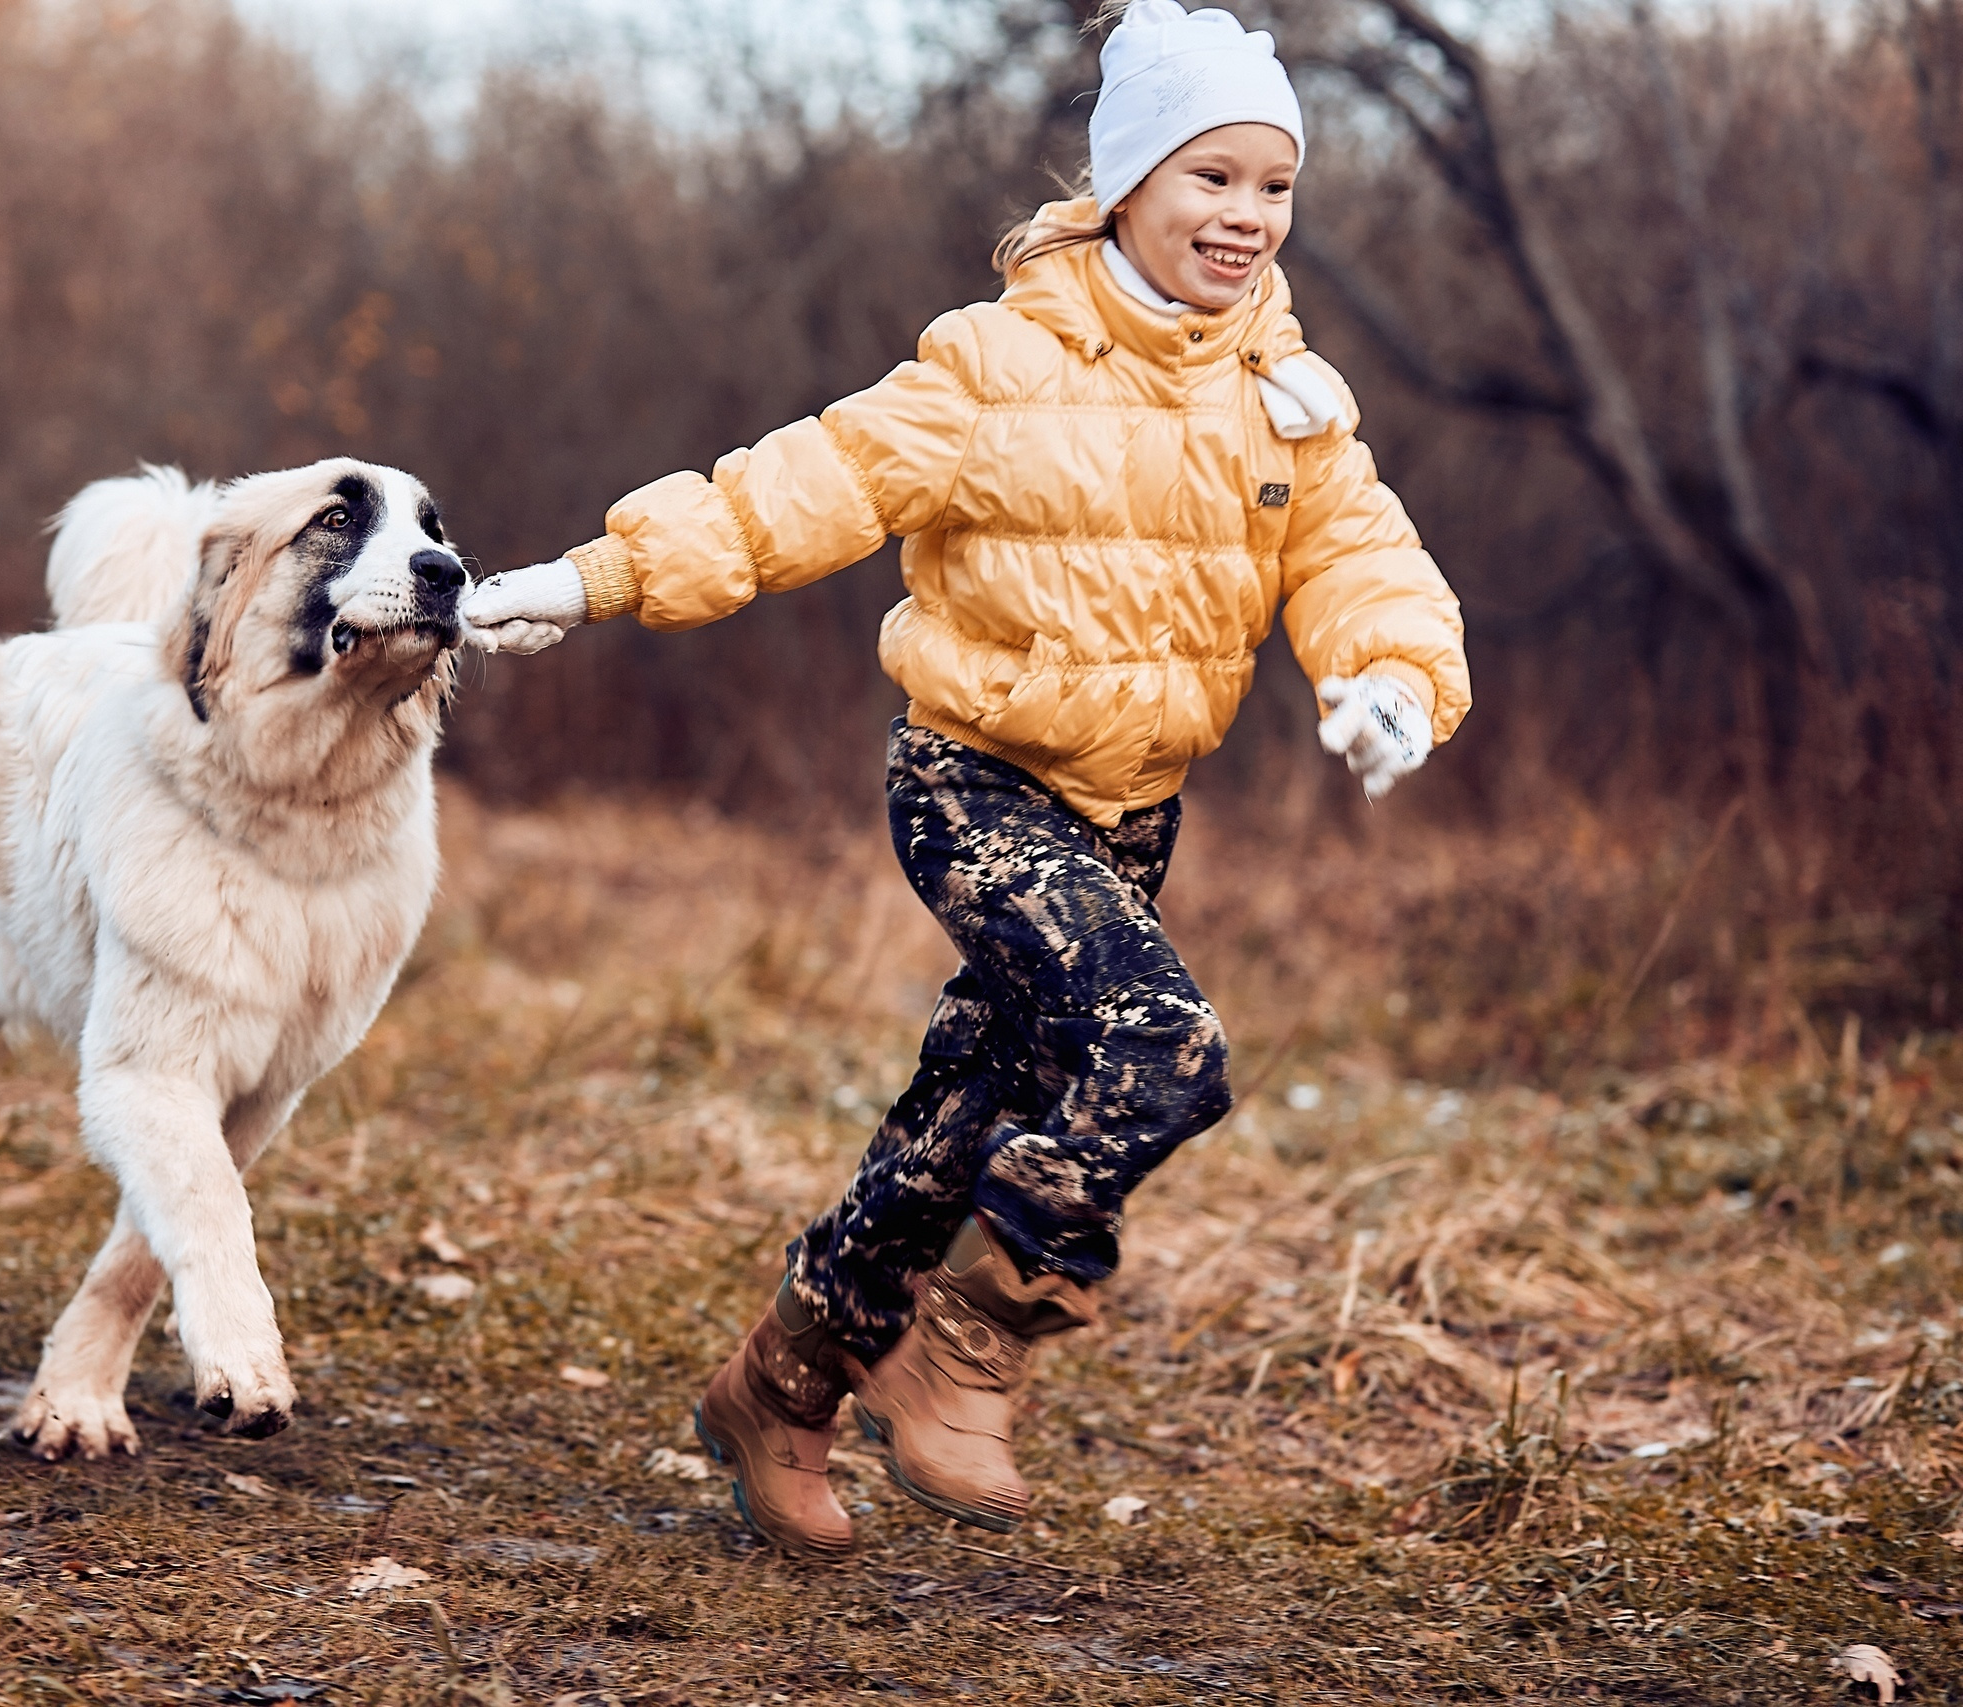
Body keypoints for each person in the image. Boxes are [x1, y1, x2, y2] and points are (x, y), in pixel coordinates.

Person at [461, 0, 1470, 1556]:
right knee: (1163, 1048)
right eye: (1213, 179)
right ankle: (966, 1359)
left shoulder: (1286, 395)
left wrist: (1391, 679)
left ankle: (782, 1383)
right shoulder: (995, 367)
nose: (1246, 218)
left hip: (1130, 817)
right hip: (978, 785)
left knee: (957, 1121)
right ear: (1129, 183)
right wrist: (597, 579)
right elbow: (802, 487)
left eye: (1275, 187)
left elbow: (1364, 561)